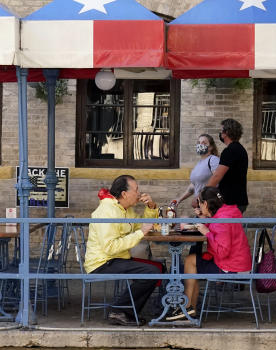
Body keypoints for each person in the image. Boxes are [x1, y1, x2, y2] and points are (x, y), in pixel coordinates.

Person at [85, 175, 161, 326]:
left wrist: (151, 207)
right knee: (151, 272)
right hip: (102, 263)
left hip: (117, 259)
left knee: (158, 268)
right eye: (136, 190)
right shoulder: (107, 211)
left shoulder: (125, 209)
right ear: (124, 194)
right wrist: (140, 234)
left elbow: (143, 224)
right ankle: (119, 311)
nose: (139, 194)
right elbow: (110, 247)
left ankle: (128, 311)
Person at [170, 186, 252, 321]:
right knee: (192, 260)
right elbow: (218, 232)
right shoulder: (226, 213)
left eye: (200, 204)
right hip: (238, 264)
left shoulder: (222, 220)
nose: (199, 207)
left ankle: (188, 307)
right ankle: (189, 308)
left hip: (232, 268)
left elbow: (222, 251)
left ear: (206, 204)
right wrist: (205, 218)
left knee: (191, 261)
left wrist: (206, 232)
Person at [205, 118, 249, 213]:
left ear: (227, 132)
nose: (220, 134)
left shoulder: (230, 151)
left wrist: (202, 195)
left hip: (231, 202)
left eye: (221, 131)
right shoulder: (240, 149)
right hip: (238, 200)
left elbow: (217, 176)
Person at [173, 134, 221, 209]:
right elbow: (194, 185)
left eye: (204, 143)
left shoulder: (213, 160)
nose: (200, 145)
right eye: (199, 143)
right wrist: (179, 200)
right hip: (201, 206)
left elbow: (217, 179)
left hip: (210, 206)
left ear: (211, 147)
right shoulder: (199, 163)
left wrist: (200, 196)